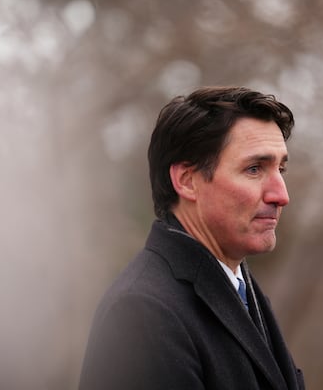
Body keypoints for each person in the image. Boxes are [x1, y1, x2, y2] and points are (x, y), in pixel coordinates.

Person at [78, 86, 305, 390]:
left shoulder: (240, 289)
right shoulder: (143, 312)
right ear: (186, 181)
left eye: (281, 169)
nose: (281, 195)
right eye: (254, 169)